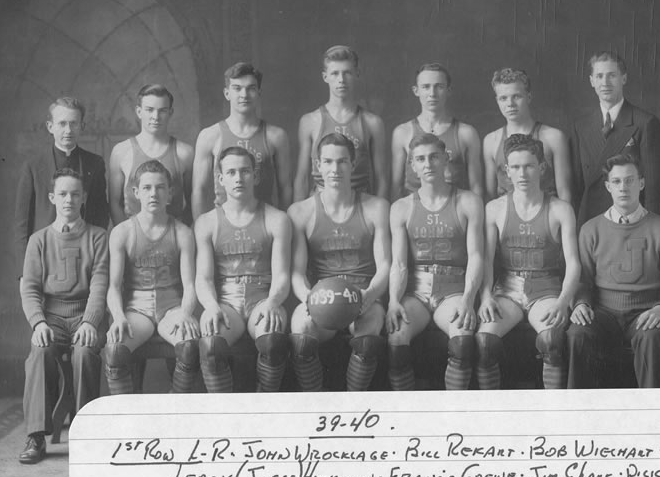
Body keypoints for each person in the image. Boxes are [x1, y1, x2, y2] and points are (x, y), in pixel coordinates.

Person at [567, 153, 660, 388]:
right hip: (603, 314)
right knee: (576, 335)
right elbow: (583, 282)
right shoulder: (590, 229)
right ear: (607, 187)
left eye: (630, 180)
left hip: (645, 312)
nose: (623, 187)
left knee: (651, 337)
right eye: (616, 181)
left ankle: (654, 420)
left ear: (641, 183)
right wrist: (581, 303)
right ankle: (578, 416)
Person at [287, 132, 391, 391]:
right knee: (301, 332)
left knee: (367, 341)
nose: (335, 169)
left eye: (342, 161)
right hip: (321, 297)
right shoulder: (300, 212)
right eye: (329, 162)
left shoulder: (376, 207)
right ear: (318, 165)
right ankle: (315, 403)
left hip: (364, 298)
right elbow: (297, 273)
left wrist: (370, 295)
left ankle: (354, 403)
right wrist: (309, 298)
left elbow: (386, 264)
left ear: (353, 164)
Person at [18, 168, 108, 464]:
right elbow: (29, 287)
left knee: (84, 353)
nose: (68, 200)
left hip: (85, 314)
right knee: (40, 350)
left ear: (83, 198)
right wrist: (38, 322)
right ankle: (35, 436)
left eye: (74, 194)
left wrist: (90, 322)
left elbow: (99, 284)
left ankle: (87, 433)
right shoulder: (39, 240)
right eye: (62, 194)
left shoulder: (97, 237)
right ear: (52, 198)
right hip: (52, 316)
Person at [476, 135, 580, 390]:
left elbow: (574, 263)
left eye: (529, 166)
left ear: (542, 168)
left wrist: (563, 301)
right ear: (507, 171)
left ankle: (553, 416)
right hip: (507, 289)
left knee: (552, 341)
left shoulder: (561, 209)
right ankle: (489, 416)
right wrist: (486, 296)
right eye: (515, 167)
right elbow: (486, 260)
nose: (522, 173)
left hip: (546, 288)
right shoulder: (495, 209)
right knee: (484, 343)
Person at [387, 134, 484, 390]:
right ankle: (404, 415)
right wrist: (393, 301)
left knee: (462, 340)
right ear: (412, 165)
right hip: (415, 291)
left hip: (452, 288)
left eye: (433, 157)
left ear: (445, 159)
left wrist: (468, 299)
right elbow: (398, 264)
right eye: (420, 159)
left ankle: (452, 414)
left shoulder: (468, 201)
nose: (428, 164)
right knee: (396, 340)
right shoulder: (401, 207)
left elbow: (476, 256)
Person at [194, 146, 292, 393]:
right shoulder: (207, 222)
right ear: (221, 179)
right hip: (226, 302)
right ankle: (224, 412)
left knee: (272, 340)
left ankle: (265, 402)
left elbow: (282, 275)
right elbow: (203, 278)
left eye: (245, 171)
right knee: (211, 343)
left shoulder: (276, 219)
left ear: (255, 176)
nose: (239, 178)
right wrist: (212, 306)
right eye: (231, 172)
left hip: (263, 299)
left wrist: (273, 302)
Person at [103, 160, 200, 395]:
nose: (153, 194)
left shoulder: (183, 232)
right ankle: (128, 420)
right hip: (137, 309)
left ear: (170, 193)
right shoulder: (122, 232)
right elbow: (114, 286)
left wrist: (186, 314)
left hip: (172, 307)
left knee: (188, 346)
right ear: (136, 193)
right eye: (146, 188)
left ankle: (173, 411)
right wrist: (117, 317)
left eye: (160, 187)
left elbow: (190, 285)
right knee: (115, 349)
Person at [571, 51, 660, 225]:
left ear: (623, 78)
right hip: (591, 224)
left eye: (612, 75)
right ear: (591, 81)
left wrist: (649, 231)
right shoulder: (581, 127)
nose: (605, 83)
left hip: (631, 224)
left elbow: (655, 189)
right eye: (599, 76)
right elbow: (575, 187)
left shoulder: (645, 123)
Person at [15, 97, 108, 278]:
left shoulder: (94, 163)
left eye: (74, 123)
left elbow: (101, 215)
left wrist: (94, 255)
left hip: (84, 258)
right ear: (50, 127)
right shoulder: (33, 166)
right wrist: (24, 274)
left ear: (82, 126)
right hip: (45, 257)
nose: (68, 130)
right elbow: (22, 224)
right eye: (62, 123)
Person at [192, 63, 293, 216]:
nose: (244, 95)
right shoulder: (210, 136)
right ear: (227, 93)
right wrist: (200, 229)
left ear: (259, 92)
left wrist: (284, 227)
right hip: (223, 228)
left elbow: (285, 187)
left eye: (251, 88)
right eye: (237, 88)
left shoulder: (276, 136)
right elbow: (198, 189)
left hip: (265, 225)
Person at [294, 46, 388, 201]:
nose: (341, 80)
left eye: (347, 73)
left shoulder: (373, 123)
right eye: (335, 73)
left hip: (360, 207)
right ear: (325, 77)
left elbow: (381, 179)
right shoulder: (310, 121)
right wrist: (298, 216)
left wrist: (379, 214)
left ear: (357, 74)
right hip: (321, 206)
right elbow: (301, 179)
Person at [391, 63, 483, 200]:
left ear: (448, 90)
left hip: (455, 210)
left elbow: (476, 186)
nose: (432, 94)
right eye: (426, 87)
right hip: (415, 212)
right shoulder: (402, 132)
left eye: (439, 87)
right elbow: (396, 187)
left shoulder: (466, 133)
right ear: (416, 91)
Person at [108, 84, 194, 226]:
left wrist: (179, 234)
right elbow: (114, 204)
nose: (156, 117)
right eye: (149, 110)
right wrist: (128, 236)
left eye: (162, 111)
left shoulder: (185, 153)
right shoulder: (121, 151)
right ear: (139, 111)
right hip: (133, 239)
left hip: (173, 239)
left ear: (170, 112)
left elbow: (193, 201)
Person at [482, 67, 572, 202]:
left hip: (547, 218)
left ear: (528, 97)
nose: (510, 104)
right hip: (506, 219)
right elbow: (490, 197)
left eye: (516, 96)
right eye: (503, 98)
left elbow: (565, 193)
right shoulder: (491, 141)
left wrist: (564, 222)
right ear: (497, 101)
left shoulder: (553, 137)